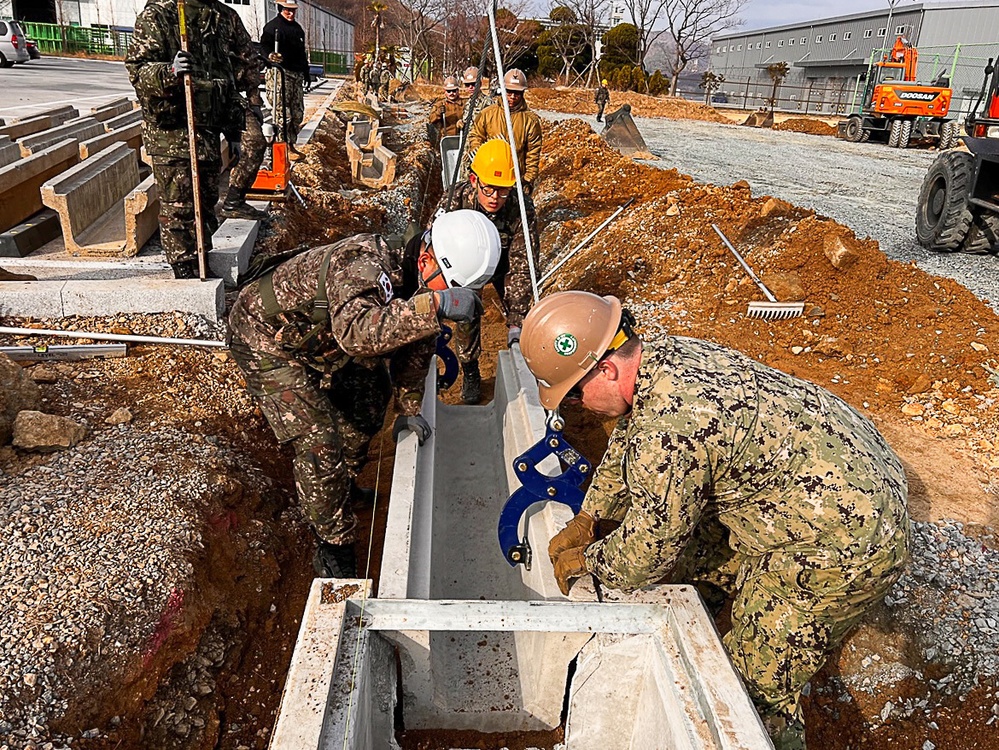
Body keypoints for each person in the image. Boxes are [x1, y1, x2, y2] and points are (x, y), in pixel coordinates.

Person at [519, 291, 911, 750]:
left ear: (605, 369)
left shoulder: (670, 429)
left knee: (746, 690)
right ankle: (701, 609)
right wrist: (591, 513)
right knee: (697, 551)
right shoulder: (662, 357)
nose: (579, 407)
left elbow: (648, 550)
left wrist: (591, 559)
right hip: (848, 472)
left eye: (575, 394)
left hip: (843, 541)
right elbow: (629, 437)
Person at [228, 210, 501, 578]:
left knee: (370, 398)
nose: (444, 297)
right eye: (448, 287)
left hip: (316, 339)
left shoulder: (420, 277)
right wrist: (433, 306)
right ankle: (333, 546)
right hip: (264, 338)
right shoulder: (364, 265)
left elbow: (416, 346)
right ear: (426, 259)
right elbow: (356, 334)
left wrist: (408, 407)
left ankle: (343, 484)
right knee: (318, 439)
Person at [126, 0, 258, 279]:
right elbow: (138, 71)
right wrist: (168, 72)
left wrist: (233, 130)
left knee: (206, 199)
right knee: (179, 203)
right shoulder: (161, 13)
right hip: (172, 128)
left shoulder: (221, 17)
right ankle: (184, 266)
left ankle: (202, 257)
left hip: (208, 127)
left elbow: (227, 79)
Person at [434, 139, 538, 404]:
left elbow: (522, 265)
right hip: (466, 265)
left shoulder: (520, 208)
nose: (495, 198)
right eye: (489, 189)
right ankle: (470, 370)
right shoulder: (454, 200)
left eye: (503, 191)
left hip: (503, 263)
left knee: (528, 315)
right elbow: (435, 248)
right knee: (465, 312)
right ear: (473, 180)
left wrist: (516, 319)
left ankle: (529, 371)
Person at [466, 68, 542, 194]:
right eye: (509, 92)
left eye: (517, 93)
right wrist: (479, 156)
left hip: (515, 179)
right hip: (488, 176)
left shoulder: (530, 121)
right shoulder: (487, 114)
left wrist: (528, 178)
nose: (513, 97)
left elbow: (533, 151)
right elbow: (476, 136)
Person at [222, 42, 269, 220]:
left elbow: (248, 58)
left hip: (229, 95)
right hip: (196, 94)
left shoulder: (228, 19)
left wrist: (254, 101)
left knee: (256, 142)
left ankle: (234, 201)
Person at [261, 0, 309, 154]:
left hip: (296, 75)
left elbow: (302, 53)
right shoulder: (272, 28)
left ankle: (291, 144)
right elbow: (263, 47)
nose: (291, 13)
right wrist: (270, 56)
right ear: (280, 9)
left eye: (293, 11)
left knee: (297, 113)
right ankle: (282, 148)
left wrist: (306, 71)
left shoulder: (298, 29)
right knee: (283, 114)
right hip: (280, 74)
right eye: (287, 10)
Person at [427, 75, 463, 142]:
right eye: (449, 91)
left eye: (454, 91)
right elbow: (431, 120)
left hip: (462, 137)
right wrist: (438, 113)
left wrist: (464, 122)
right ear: (445, 92)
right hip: (446, 140)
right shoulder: (439, 105)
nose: (451, 93)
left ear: (458, 91)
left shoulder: (465, 103)